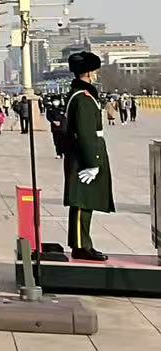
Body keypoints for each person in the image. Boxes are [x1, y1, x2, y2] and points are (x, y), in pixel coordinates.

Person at [62, 50, 113, 262]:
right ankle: (80, 246)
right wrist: (92, 163)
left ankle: (83, 243)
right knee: (81, 202)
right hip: (85, 157)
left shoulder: (83, 95)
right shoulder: (83, 98)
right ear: (89, 73)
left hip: (86, 153)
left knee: (86, 201)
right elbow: (85, 132)